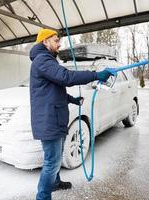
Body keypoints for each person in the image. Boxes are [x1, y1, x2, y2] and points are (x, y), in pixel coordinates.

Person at [29, 29, 112, 200]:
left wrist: (73, 100)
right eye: (56, 40)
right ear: (45, 42)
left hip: (55, 118)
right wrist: (96, 75)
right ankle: (42, 197)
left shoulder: (46, 60)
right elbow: (66, 77)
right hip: (49, 120)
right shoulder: (42, 60)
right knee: (51, 161)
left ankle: (55, 183)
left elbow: (53, 90)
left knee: (56, 157)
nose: (59, 44)